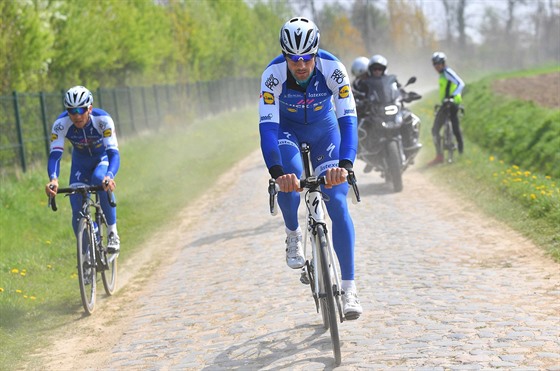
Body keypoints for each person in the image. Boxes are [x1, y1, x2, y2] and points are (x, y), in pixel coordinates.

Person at [259, 17, 362, 319]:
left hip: (325, 131)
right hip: (286, 131)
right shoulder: (272, 75)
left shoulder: (334, 69)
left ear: (316, 53)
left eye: (306, 58)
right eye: (293, 58)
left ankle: (349, 288)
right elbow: (267, 129)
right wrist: (277, 172)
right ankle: (293, 233)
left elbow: (348, 120)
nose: (300, 64)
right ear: (285, 54)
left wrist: (345, 164)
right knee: (289, 185)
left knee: (339, 203)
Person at [45, 86, 121, 253]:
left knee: (99, 179)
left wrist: (109, 176)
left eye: (81, 109)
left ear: (90, 108)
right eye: (72, 111)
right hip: (80, 162)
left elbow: (114, 154)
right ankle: (86, 257)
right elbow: (55, 156)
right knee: (76, 208)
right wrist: (53, 179)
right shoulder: (61, 124)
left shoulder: (102, 120)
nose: (77, 115)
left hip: (102, 158)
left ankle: (112, 232)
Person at [356, 54, 421, 172]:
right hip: (376, 112)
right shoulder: (365, 83)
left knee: (409, 117)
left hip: (392, 108)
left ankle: (411, 144)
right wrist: (360, 102)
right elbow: (359, 94)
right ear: (370, 70)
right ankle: (368, 151)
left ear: (384, 69)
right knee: (363, 125)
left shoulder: (391, 79)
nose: (377, 71)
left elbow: (399, 90)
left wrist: (407, 95)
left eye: (379, 68)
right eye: (374, 69)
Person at [429, 51, 465, 165]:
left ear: (443, 63)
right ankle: (460, 153)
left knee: (435, 129)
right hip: (448, 103)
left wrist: (453, 96)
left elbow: (461, 83)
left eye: (438, 64)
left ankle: (440, 156)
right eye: (434, 64)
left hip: (450, 103)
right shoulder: (442, 74)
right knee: (455, 127)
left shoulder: (447, 72)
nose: (436, 66)